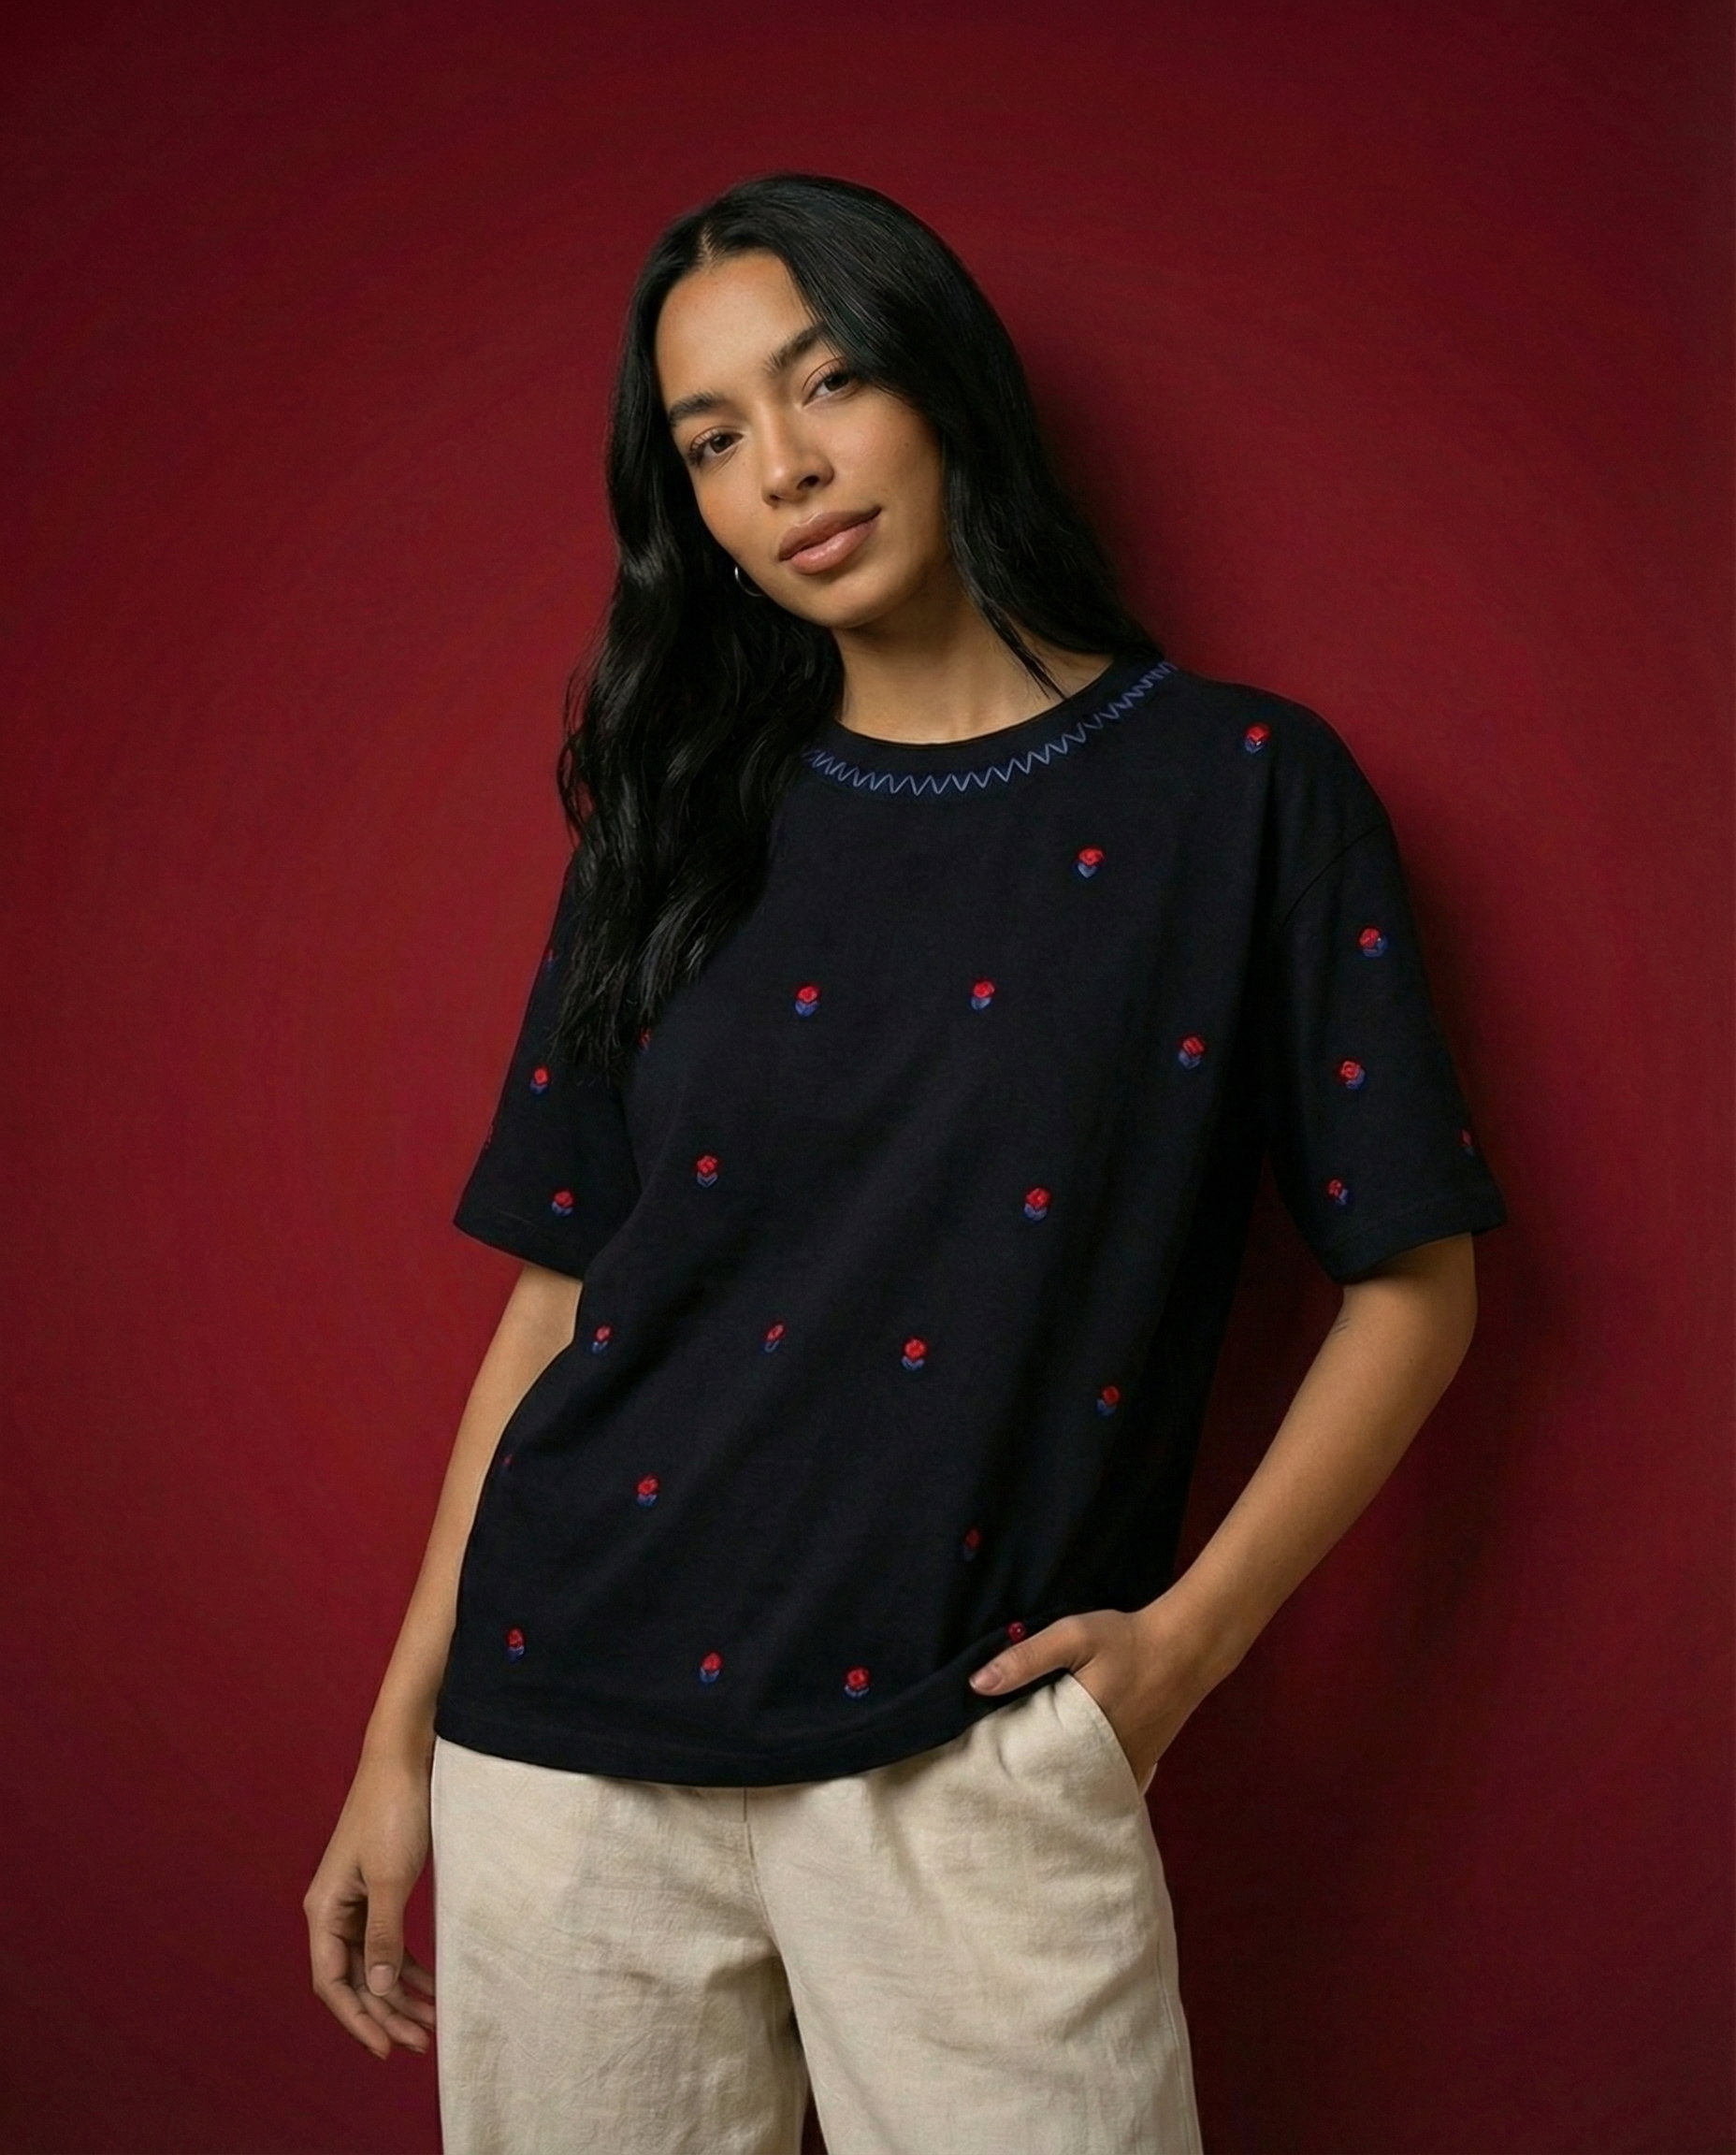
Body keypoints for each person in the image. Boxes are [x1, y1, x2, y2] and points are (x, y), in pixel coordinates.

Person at [302, 171, 1508, 2155]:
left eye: (825, 380)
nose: (781, 467)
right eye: (710, 440)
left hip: (975, 1763)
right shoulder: (678, 827)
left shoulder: (1241, 792)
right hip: (570, 1754)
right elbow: (562, 1295)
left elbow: (1419, 1279)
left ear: (939, 380)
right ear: (685, 502)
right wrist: (396, 1747)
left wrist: (1172, 1664)